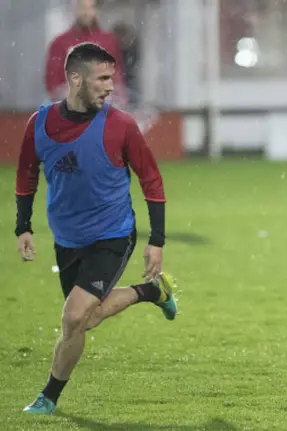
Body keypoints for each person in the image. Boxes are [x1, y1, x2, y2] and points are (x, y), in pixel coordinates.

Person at [16, 42, 177, 414]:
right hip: (67, 240)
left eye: (111, 78)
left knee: (73, 317)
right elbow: (26, 175)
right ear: (75, 79)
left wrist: (156, 240)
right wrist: (23, 226)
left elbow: (151, 179)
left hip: (112, 235)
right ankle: (150, 292)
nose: (109, 86)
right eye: (101, 79)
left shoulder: (121, 125)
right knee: (84, 320)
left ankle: (48, 398)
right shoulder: (39, 124)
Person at [45, 0, 126, 106]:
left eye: (90, 8)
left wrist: (117, 98)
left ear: (96, 10)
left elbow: (116, 76)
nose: (86, 12)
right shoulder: (60, 43)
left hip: (102, 107)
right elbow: (52, 82)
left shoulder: (109, 41)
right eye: (82, 7)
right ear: (75, 9)